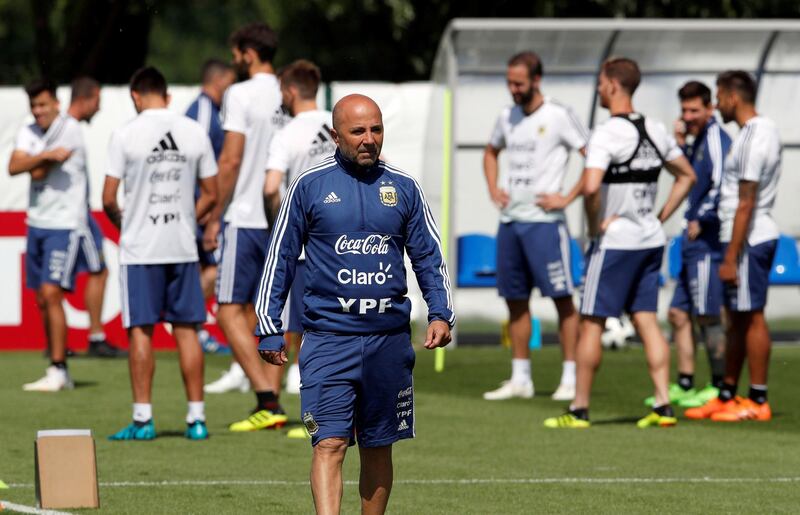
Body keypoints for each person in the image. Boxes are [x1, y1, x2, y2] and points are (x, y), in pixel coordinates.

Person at [256, 94, 454, 515]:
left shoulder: (403, 187)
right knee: (329, 442)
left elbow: (428, 256)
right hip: (329, 339)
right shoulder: (308, 187)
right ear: (334, 135)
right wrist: (270, 324)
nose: (369, 139)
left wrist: (439, 311)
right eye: (358, 131)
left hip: (388, 341)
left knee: (379, 447)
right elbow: (280, 258)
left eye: (376, 129)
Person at [544, 57, 696, 429]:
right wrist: (659, 217)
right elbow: (686, 175)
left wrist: (597, 226)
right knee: (646, 318)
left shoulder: (606, 133)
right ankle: (663, 405)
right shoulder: (656, 129)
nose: (598, 89)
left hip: (615, 243)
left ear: (613, 85)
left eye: (600, 82)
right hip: (649, 240)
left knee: (591, 321)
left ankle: (579, 409)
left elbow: (592, 185)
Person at [103, 66, 218, 440]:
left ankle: (142, 419)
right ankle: (196, 419)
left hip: (141, 248)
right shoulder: (193, 130)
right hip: (182, 245)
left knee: (142, 331)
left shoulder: (125, 135)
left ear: (136, 96)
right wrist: (188, 218)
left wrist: (127, 223)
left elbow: (108, 198)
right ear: (166, 95)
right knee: (187, 330)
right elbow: (212, 193)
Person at [482, 51, 587, 402]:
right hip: (511, 221)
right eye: (509, 82)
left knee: (562, 299)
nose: (513, 89)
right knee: (515, 301)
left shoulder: (559, 115)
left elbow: (593, 157)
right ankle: (520, 378)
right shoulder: (506, 116)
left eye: (519, 83)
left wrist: (567, 196)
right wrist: (494, 188)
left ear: (536, 80)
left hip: (545, 224)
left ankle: (571, 377)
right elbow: (490, 152)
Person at [202, 22, 290, 429]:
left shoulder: (239, 93)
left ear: (248, 52)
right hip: (288, 215)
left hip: (248, 215)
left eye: (236, 53)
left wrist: (214, 212)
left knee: (228, 310)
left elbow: (231, 160)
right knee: (275, 312)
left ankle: (268, 400)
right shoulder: (291, 90)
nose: (234, 60)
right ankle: (272, 405)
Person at [685, 71, 781, 422]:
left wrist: (729, 257)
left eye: (719, 96)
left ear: (732, 97)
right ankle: (728, 394)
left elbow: (745, 202)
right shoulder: (746, 134)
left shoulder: (759, 134)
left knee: (751, 315)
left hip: (749, 239)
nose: (718, 104)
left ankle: (758, 399)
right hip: (739, 238)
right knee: (737, 318)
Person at [645, 81, 731, 409]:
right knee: (679, 313)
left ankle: (719, 385)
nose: (688, 116)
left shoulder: (716, 140)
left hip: (708, 242)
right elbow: (688, 178)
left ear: (710, 108)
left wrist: (703, 217)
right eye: (684, 110)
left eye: (695, 110)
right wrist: (680, 144)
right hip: (690, 244)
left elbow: (724, 184)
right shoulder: (695, 142)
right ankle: (685, 382)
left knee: (709, 316)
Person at [10, 79, 88, 391]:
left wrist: (34, 160)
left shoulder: (69, 128)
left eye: (43, 104)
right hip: (36, 222)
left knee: (52, 292)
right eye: (34, 106)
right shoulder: (29, 130)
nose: (38, 111)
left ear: (56, 102)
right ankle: (57, 365)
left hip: (65, 224)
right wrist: (44, 156)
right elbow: (13, 166)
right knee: (42, 298)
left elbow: (34, 170)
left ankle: (59, 367)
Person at [264, 59, 335, 397]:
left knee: (297, 320)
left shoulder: (287, 134)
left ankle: (296, 402)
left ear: (291, 91)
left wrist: (280, 224)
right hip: (343, 244)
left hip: (307, 245)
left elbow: (270, 187)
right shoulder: (338, 126)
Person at [68, 76, 128, 358]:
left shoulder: (65, 127)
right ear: (88, 97)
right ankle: (95, 337)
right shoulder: (67, 128)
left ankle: (63, 344)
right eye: (98, 102)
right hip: (75, 215)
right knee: (99, 270)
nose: (99, 109)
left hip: (69, 214)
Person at [184, 59, 236, 358]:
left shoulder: (210, 110)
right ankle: (191, 322)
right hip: (201, 205)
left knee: (210, 268)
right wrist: (201, 203)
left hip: (203, 204)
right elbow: (192, 157)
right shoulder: (203, 111)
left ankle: (194, 326)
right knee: (216, 268)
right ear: (219, 82)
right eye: (229, 84)